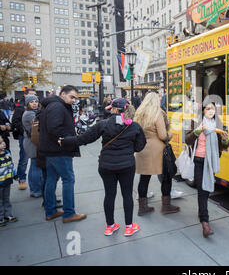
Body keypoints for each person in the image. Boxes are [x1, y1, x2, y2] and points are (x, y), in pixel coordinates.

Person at [61, 98, 146, 236]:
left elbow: (83, 139)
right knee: (127, 195)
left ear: (115, 110)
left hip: (106, 165)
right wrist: (129, 150)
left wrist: (64, 141)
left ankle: (110, 226)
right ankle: (129, 227)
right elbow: (140, 145)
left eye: (111, 108)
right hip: (127, 165)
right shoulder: (135, 126)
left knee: (109, 195)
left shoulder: (103, 124)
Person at [39, 85, 86, 223]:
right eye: (72, 97)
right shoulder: (57, 107)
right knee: (68, 179)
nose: (73, 100)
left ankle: (51, 211)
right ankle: (69, 213)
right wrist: (66, 139)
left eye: (75, 98)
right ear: (63, 94)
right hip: (59, 150)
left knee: (51, 179)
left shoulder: (53, 105)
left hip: (51, 150)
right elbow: (54, 127)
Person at [185, 101, 229, 238]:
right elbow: (187, 140)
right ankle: (205, 222)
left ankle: (201, 212)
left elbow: (226, 146)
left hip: (211, 161)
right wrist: (197, 131)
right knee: (202, 190)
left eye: (213, 109)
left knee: (206, 190)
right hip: (198, 160)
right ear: (203, 111)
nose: (211, 111)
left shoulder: (219, 125)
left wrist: (224, 140)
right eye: (208, 109)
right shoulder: (195, 122)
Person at [134, 93, 180, 216]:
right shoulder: (157, 114)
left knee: (144, 179)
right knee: (166, 178)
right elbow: (163, 135)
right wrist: (171, 135)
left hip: (142, 150)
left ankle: (142, 208)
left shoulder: (138, 114)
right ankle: (166, 206)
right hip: (157, 151)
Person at [12, 88, 37, 191]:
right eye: (31, 96)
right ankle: (22, 179)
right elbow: (15, 122)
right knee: (24, 159)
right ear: (25, 95)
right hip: (25, 137)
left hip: (34, 137)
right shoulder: (20, 108)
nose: (34, 99)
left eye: (35, 96)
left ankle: (35, 186)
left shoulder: (36, 109)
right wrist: (25, 132)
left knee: (35, 162)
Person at [22, 95, 45, 198]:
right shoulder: (29, 114)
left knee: (34, 166)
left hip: (32, 141)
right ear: (27, 104)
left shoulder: (33, 112)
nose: (34, 103)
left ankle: (35, 189)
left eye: (36, 101)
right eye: (31, 102)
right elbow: (39, 126)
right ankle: (36, 190)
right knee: (36, 167)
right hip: (32, 142)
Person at [0, 136, 18, 227]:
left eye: (2, 141)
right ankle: (1, 217)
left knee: (6, 199)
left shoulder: (7, 153)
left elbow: (11, 165)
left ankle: (8, 215)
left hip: (7, 181)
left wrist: (15, 175)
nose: (3, 144)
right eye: (0, 143)